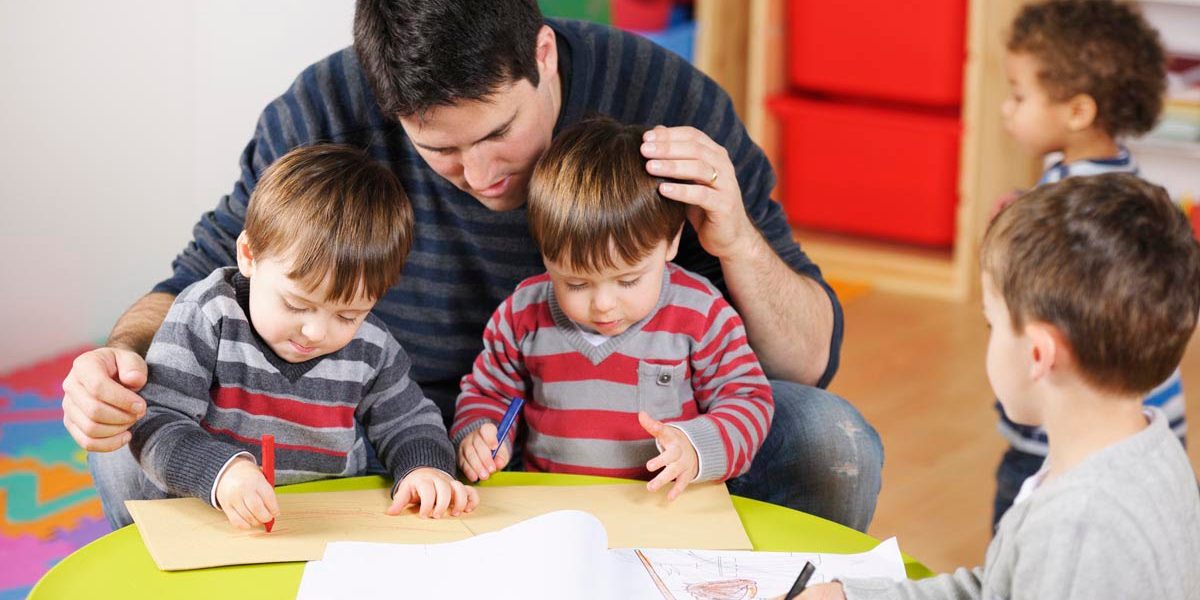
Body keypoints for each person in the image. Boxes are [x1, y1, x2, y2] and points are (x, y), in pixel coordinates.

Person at [62, 0, 882, 530]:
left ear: (545, 54)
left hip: (618, 440)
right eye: (441, 151)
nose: (485, 175)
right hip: (377, 433)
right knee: (120, 443)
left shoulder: (664, 100)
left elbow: (809, 363)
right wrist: (121, 362)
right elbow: (201, 272)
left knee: (829, 439)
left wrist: (734, 235)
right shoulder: (325, 110)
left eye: (499, 133)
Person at [803, 174, 1200, 599]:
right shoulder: (1147, 451)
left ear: (1037, 354)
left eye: (991, 324)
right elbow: (999, 589)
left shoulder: (1080, 525)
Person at [116, 144, 476, 529]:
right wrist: (224, 474)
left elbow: (409, 421)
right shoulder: (209, 314)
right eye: (296, 305)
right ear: (249, 255)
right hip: (211, 515)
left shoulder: (371, 346)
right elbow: (157, 421)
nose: (317, 332)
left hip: (324, 521)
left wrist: (424, 469)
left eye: (347, 314)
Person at [453, 117, 774, 500]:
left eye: (628, 281)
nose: (603, 305)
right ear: (545, 256)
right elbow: (489, 394)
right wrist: (481, 434)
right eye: (576, 283)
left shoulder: (700, 315)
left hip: (663, 512)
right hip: (556, 511)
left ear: (670, 243)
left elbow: (747, 398)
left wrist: (696, 448)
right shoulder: (522, 315)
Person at [992, 0, 1180, 527]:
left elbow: (1026, 300)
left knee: (1022, 547)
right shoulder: (1131, 185)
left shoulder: (1061, 206)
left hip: (1058, 434)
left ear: (1078, 112)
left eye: (1019, 95)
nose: (1007, 109)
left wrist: (1005, 240)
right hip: (1147, 417)